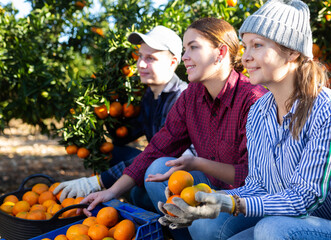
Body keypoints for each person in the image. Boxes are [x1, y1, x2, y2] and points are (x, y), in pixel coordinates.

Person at [159, 1, 331, 239]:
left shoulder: (329, 108)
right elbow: (258, 185)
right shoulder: (259, 112)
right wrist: (213, 203)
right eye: (245, 47)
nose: (245, 58)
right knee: (217, 226)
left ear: (293, 51)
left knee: (270, 229)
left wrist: (233, 204)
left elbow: (306, 197)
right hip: (288, 221)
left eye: (257, 45)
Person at [80, 17, 267, 239]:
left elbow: (254, 177)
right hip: (212, 188)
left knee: (205, 226)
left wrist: (197, 163)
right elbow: (157, 148)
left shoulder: (253, 100)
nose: (185, 57)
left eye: (193, 48)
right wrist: (109, 191)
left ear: (221, 52)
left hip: (249, 199)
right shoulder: (191, 97)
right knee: (157, 167)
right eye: (185, 49)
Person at [53, 26, 189, 210]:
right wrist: (106, 109)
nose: (140, 64)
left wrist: (101, 181)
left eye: (151, 58)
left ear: (173, 63)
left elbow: (160, 154)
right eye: (140, 56)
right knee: (109, 152)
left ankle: (143, 208)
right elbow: (124, 136)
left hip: (174, 176)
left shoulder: (180, 98)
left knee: (139, 189)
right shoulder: (149, 95)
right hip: (155, 163)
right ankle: (123, 195)